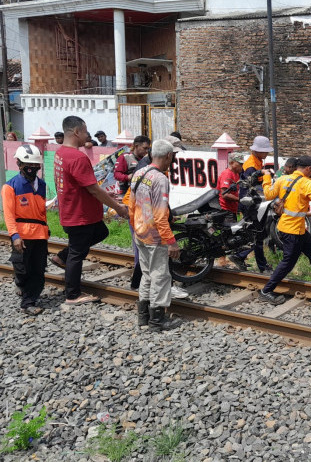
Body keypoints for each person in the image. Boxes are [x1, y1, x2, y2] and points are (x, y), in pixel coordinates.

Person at [51, 116, 129, 305]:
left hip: (75, 212)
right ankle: (73, 295)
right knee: (77, 254)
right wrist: (118, 207)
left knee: (101, 232)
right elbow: (93, 188)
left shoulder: (61, 153)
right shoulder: (77, 157)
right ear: (76, 132)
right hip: (79, 215)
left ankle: (62, 256)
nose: (87, 135)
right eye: (85, 131)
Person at [257, 156, 311, 304]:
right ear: (308, 169)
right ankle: (266, 291)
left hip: (293, 228)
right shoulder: (307, 183)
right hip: (292, 230)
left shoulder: (282, 180)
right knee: (288, 262)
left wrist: (267, 178)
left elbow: (268, 194)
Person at [129, 139, 180, 331]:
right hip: (155, 237)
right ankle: (157, 321)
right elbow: (160, 216)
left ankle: (143, 317)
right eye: (172, 157)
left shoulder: (139, 173)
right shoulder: (160, 179)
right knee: (160, 276)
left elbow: (131, 206)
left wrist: (136, 229)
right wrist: (171, 242)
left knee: (147, 275)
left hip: (140, 233)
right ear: (168, 156)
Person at [2, 144, 49, 315]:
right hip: (21, 234)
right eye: (28, 165)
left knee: (38, 269)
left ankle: (28, 302)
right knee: (22, 268)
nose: (32, 169)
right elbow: (8, 215)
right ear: (19, 164)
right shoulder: (10, 186)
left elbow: (42, 212)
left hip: (40, 234)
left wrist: (46, 230)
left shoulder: (42, 185)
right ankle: (20, 284)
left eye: (35, 166)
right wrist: (14, 236)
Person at [233, 135, 275, 273]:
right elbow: (251, 183)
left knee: (257, 234)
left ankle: (247, 259)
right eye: (265, 151)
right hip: (249, 204)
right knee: (257, 234)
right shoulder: (251, 165)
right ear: (257, 151)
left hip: (253, 202)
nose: (267, 153)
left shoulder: (257, 161)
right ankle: (241, 256)